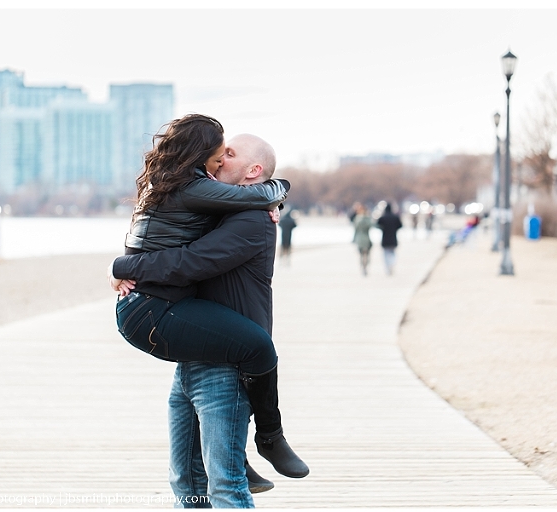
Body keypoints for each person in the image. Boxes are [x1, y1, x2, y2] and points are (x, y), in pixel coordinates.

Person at [110, 116, 308, 479]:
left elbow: (190, 257)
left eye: (228, 154)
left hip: (174, 315)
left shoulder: (236, 212)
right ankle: (267, 439)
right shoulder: (202, 192)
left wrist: (272, 195)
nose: (219, 160)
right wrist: (124, 265)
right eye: (219, 152)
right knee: (202, 475)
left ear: (252, 170)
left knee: (192, 478)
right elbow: (190, 262)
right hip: (158, 310)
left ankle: (259, 444)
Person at [376, 202, 403, 275]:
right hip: (393, 238)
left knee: (385, 254)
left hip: (385, 238)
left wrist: (383, 228)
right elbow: (400, 225)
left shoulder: (383, 218)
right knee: (393, 252)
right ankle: (392, 263)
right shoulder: (395, 217)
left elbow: (377, 225)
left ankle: (388, 266)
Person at [351, 202, 373, 275]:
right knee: (366, 254)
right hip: (366, 238)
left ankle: (363, 266)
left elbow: (355, 229)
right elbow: (371, 226)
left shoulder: (357, 219)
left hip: (359, 239)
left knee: (361, 255)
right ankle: (365, 266)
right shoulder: (367, 219)